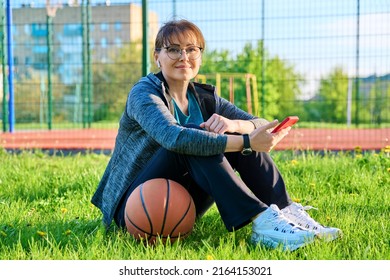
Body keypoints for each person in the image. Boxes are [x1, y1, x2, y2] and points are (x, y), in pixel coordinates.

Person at [91, 19, 341, 251]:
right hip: (135, 206)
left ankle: (287, 212)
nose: (184, 57)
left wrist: (237, 127)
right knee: (194, 137)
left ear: (200, 55)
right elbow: (173, 138)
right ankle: (262, 221)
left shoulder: (205, 98)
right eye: (174, 50)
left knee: (228, 133)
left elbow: (259, 122)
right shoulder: (144, 93)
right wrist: (245, 141)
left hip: (181, 202)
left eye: (191, 49)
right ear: (157, 57)